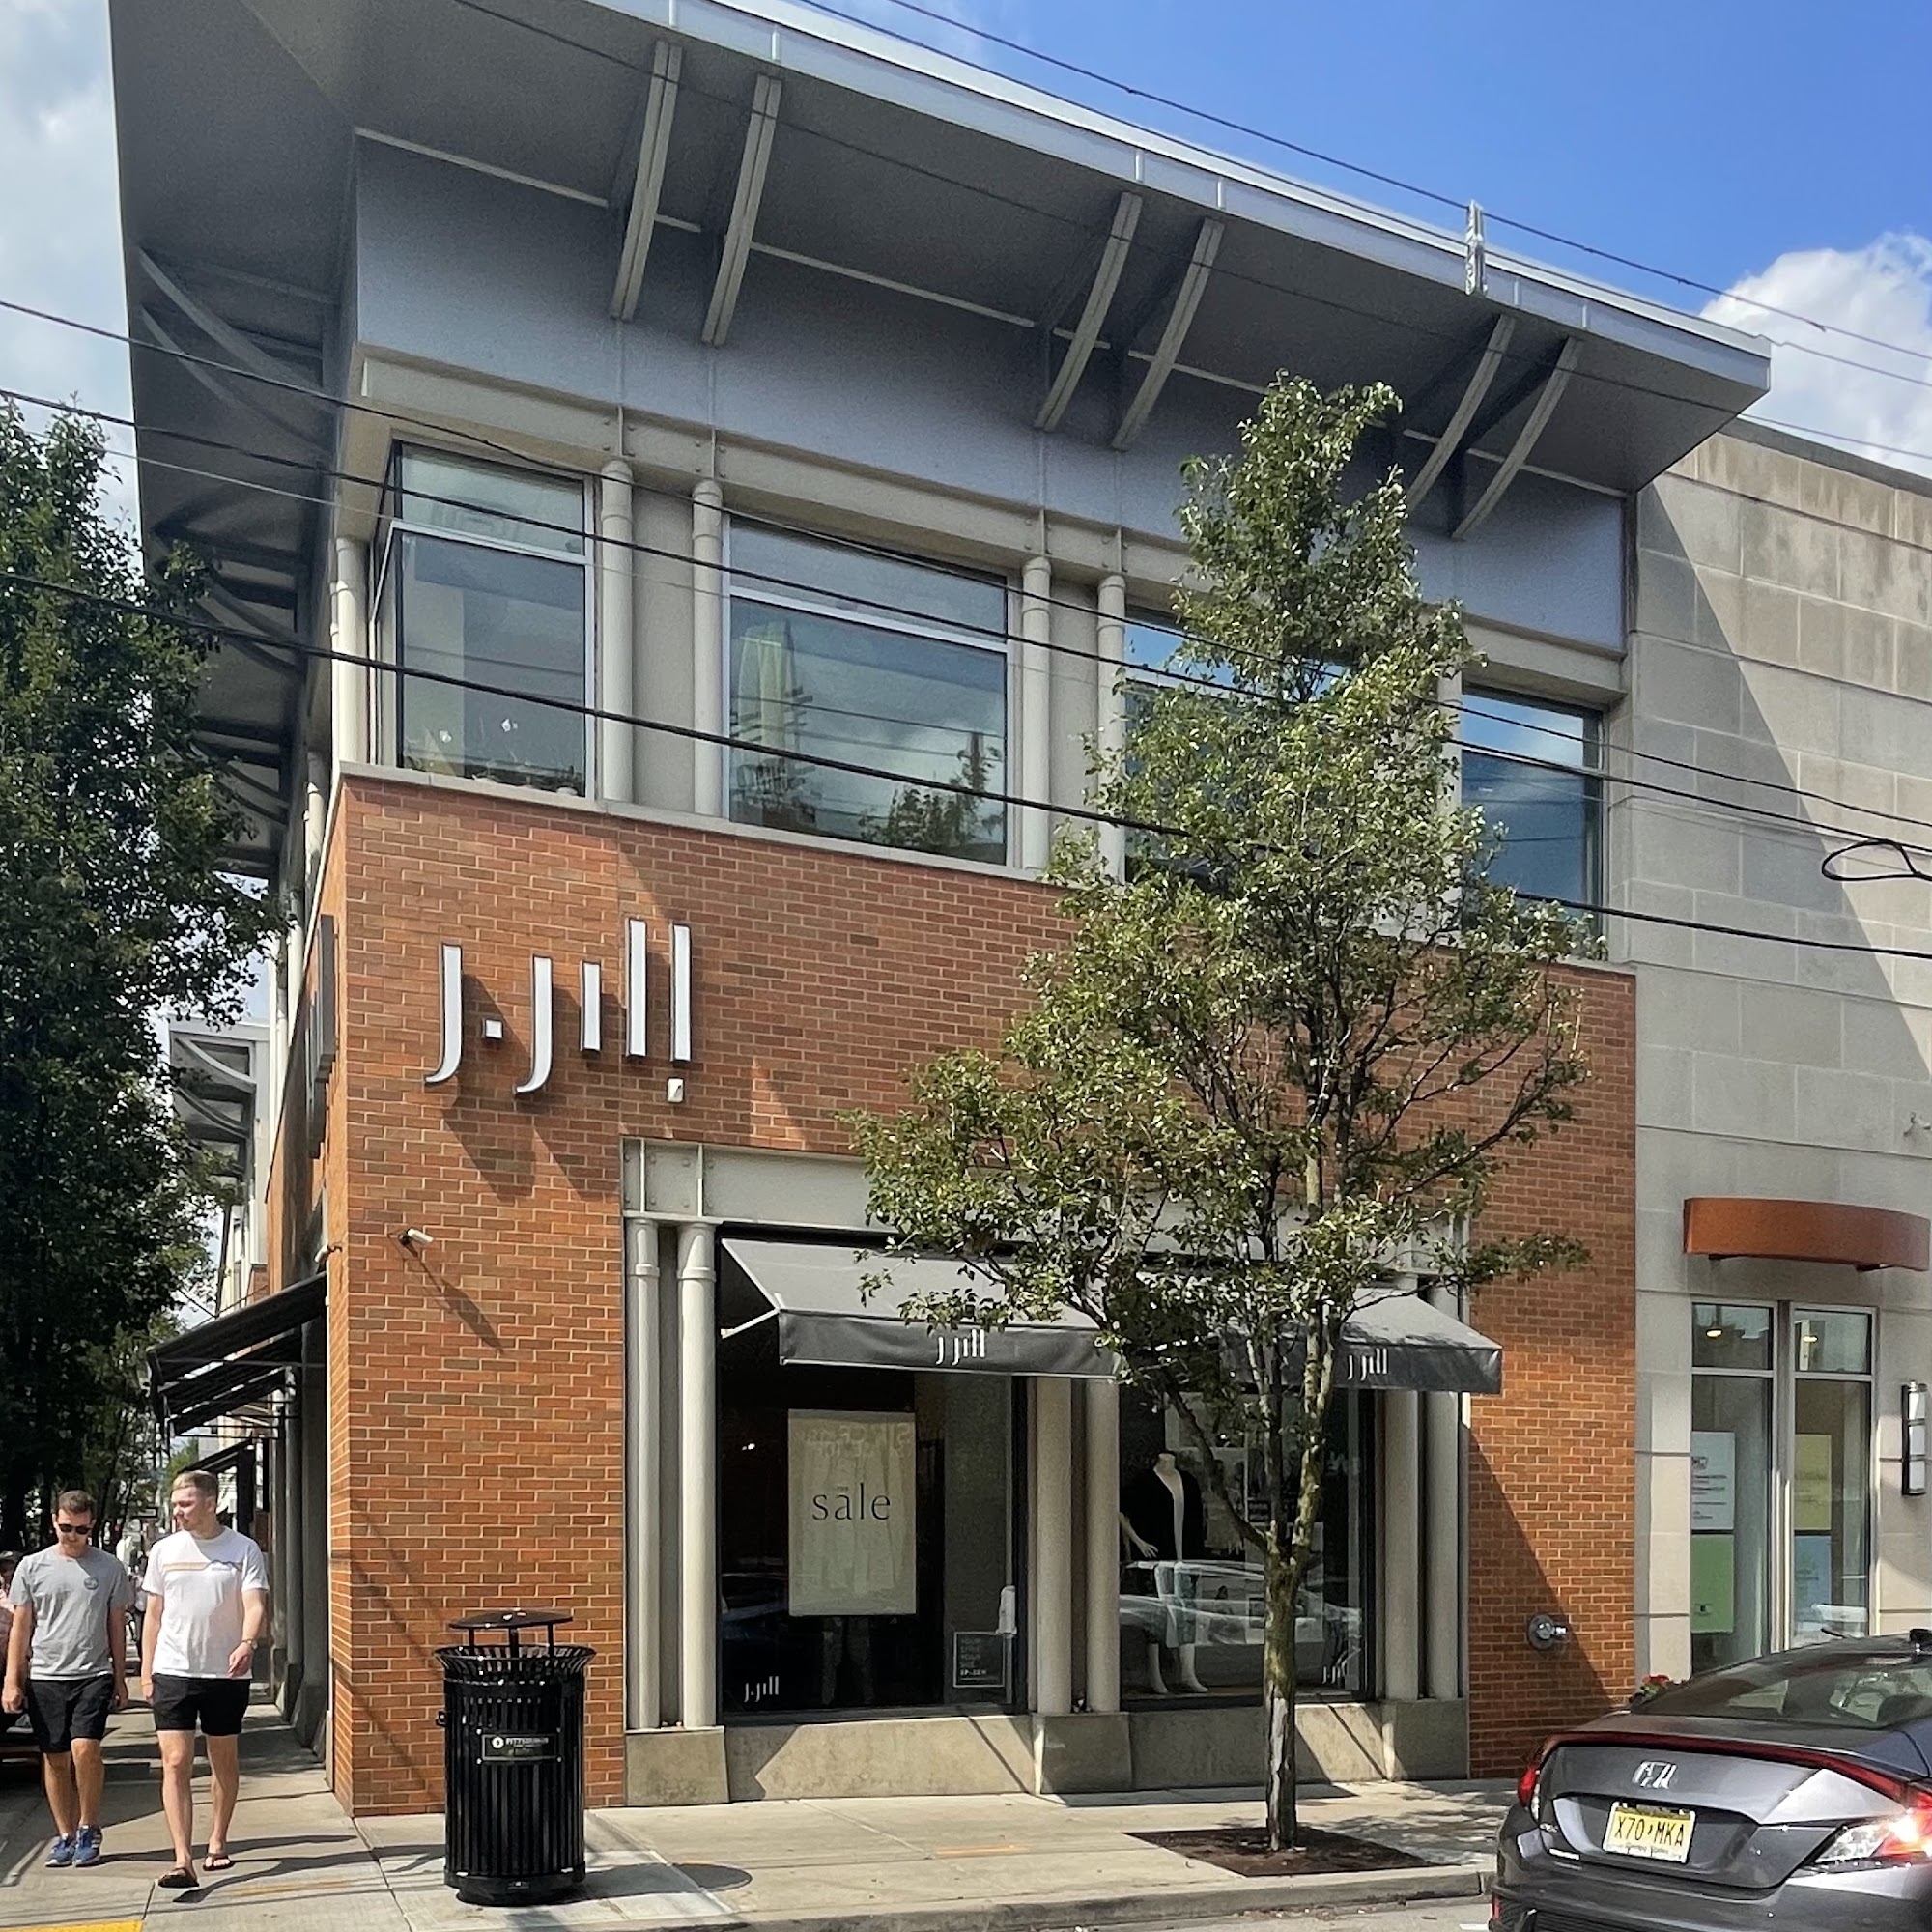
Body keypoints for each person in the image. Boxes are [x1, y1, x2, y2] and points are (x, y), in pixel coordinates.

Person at [139, 1471, 269, 1889]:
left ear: (211, 1503)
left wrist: (247, 1642)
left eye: (186, 1504)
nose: (178, 1512)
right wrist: (147, 1671)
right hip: (173, 1669)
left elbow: (255, 1604)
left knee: (222, 1759)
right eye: (175, 1504)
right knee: (175, 1761)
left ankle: (218, 1839)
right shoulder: (163, 1551)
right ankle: (183, 1859)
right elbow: (153, 1616)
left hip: (225, 1673)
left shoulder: (243, 1549)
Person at [1, 1491, 132, 1869]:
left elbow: (116, 1626)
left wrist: (121, 1678)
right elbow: (21, 1626)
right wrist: (12, 1680)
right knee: (55, 1757)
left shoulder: (108, 1567)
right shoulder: (32, 1567)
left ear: (91, 1526)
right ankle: (65, 1834)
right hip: (46, 1675)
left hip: (93, 1673)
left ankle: (89, 1826)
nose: (72, 1535)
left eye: (81, 1529)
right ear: (54, 1523)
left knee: (85, 1749)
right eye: (65, 1528)